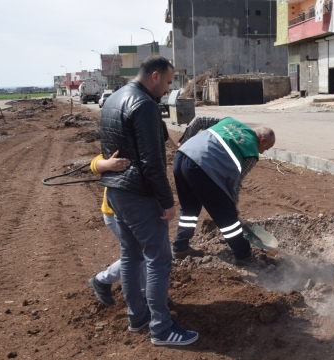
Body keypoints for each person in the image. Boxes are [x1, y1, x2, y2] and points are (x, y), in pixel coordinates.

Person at [99, 55, 198, 346]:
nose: (168, 89)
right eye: (167, 82)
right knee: (158, 259)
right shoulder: (144, 105)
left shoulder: (114, 99)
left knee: (131, 255)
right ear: (154, 76)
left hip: (116, 193)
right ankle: (162, 328)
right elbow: (151, 161)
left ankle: (138, 316)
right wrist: (167, 201)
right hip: (139, 195)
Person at [172, 116, 275, 265]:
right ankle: (244, 255)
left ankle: (180, 247)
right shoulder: (252, 152)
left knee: (189, 208)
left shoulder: (229, 122)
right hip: (202, 167)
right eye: (266, 149)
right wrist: (234, 205)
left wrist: (185, 141)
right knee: (227, 216)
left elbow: (199, 120)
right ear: (262, 141)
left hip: (182, 157)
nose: (264, 152)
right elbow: (236, 182)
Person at [87, 150, 148, 307]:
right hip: (116, 214)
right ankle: (102, 280)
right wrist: (108, 164)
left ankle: (145, 294)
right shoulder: (120, 147)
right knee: (138, 254)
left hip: (137, 213)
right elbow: (95, 165)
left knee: (141, 253)